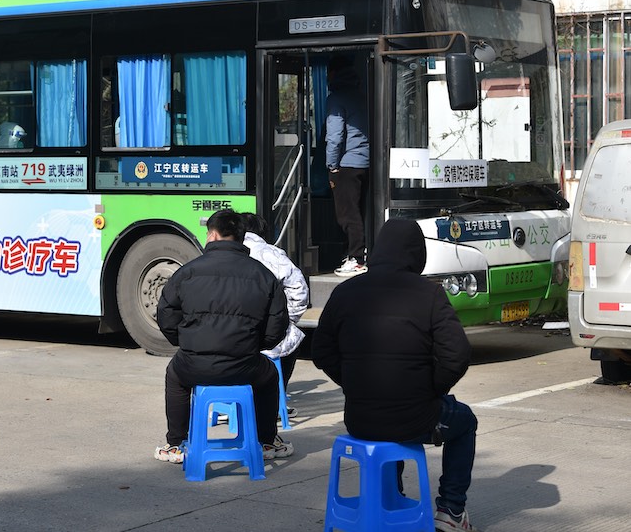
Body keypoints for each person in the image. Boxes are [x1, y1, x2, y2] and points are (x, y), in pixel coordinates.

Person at [311, 219, 479, 532]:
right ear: (418, 254)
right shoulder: (429, 295)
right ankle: (451, 510)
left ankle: (391, 498)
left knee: (393, 426)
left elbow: (321, 352)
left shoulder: (345, 292)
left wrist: (353, 381)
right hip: (416, 416)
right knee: (465, 420)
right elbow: (457, 355)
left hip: (361, 418)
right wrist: (431, 389)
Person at [154, 208, 294, 464]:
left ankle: (175, 445)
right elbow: (277, 327)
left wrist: (184, 342)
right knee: (270, 375)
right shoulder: (263, 275)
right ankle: (266, 442)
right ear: (241, 237)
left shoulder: (187, 272)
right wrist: (254, 345)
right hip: (245, 365)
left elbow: (165, 315)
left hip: (193, 365)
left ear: (213, 235)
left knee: (174, 375)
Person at [240, 212, 309, 414]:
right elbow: (299, 290)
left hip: (223, 339)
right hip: (265, 334)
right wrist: (289, 320)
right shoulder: (272, 254)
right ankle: (275, 404)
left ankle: (231, 405)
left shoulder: (216, 256)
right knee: (292, 339)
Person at [325, 55, 370, 277]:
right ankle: (358, 253)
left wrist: (332, 166)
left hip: (346, 164)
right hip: (364, 162)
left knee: (347, 214)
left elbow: (334, 136)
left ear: (332, 74)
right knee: (359, 211)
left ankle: (356, 259)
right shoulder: (362, 95)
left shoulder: (336, 98)